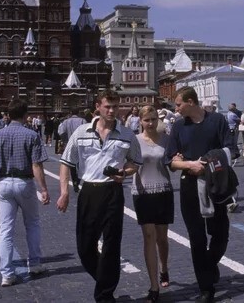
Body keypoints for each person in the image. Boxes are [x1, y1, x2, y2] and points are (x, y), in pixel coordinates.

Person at [56, 90, 141, 303]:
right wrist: (64, 192)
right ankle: (105, 280)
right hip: (88, 191)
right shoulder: (81, 132)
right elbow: (66, 162)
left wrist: (125, 173)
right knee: (85, 246)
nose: (112, 111)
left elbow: (135, 163)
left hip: (112, 190)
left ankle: (104, 295)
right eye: (107, 106)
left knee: (112, 244)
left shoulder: (127, 134)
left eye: (115, 106)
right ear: (98, 106)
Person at [166, 86, 234, 303]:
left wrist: (206, 165)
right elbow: (171, 161)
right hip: (189, 186)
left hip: (215, 185)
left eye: (178, 104)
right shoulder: (178, 127)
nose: (176, 109)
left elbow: (231, 150)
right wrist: (188, 164)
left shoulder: (217, 122)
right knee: (196, 238)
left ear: (191, 102)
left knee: (220, 234)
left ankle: (210, 264)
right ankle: (206, 288)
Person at [0, 99, 50, 287]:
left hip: (4, 183)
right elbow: (36, 165)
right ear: (25, 114)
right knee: (33, 224)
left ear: (8, 115)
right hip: (24, 182)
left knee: (5, 230)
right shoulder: (31, 135)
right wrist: (43, 188)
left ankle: (7, 273)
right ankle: (35, 263)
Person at [132, 106, 174, 302]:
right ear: (140, 121)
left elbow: (173, 163)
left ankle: (164, 268)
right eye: (147, 120)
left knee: (162, 238)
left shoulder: (166, 140)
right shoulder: (134, 141)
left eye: (153, 119)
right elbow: (129, 164)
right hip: (142, 193)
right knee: (149, 236)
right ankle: (153, 286)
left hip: (163, 190)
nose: (150, 123)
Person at [58, 107, 86, 192]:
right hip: (81, 145)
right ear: (78, 113)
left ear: (71, 112)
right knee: (81, 164)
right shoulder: (82, 120)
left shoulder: (66, 121)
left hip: (70, 145)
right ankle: (78, 180)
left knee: (71, 164)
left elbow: (61, 132)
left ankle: (74, 182)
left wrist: (65, 140)